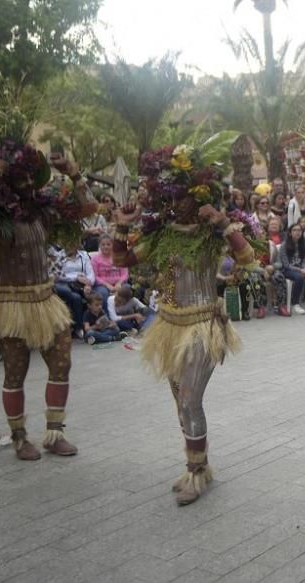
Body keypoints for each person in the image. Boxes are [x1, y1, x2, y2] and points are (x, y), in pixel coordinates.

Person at [112, 141, 258, 506]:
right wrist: (120, 227)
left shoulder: (213, 233)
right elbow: (123, 259)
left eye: (185, 197)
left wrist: (224, 223)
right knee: (180, 402)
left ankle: (195, 474)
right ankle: (199, 465)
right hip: (169, 326)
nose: (178, 204)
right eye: (172, 197)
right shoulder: (161, 234)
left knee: (191, 400)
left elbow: (247, 256)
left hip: (203, 326)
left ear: (200, 195)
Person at [0, 149, 98, 461]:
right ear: (7, 184)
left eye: (31, 177)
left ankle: (55, 434)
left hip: (46, 301)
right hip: (12, 305)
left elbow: (90, 208)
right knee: (15, 374)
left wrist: (74, 172)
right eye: (20, 178)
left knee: (62, 364)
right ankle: (19, 438)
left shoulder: (42, 214)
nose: (29, 183)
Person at [52, 241, 95, 336]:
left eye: (72, 243)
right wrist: (75, 277)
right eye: (67, 243)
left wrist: (89, 284)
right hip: (64, 284)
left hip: (81, 284)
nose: (69, 246)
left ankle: (85, 327)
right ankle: (78, 327)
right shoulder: (59, 256)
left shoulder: (84, 255)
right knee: (75, 297)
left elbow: (90, 273)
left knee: (90, 294)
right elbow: (57, 275)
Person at [280, 220, 305, 314]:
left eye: (299, 230)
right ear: (290, 233)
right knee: (299, 277)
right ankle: (296, 304)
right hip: (288, 270)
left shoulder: (304, 245)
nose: (297, 232)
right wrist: (300, 270)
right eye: (294, 230)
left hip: (301, 268)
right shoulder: (284, 246)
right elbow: (286, 265)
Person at [91, 233, 129, 309]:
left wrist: (119, 283)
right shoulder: (95, 259)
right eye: (103, 244)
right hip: (102, 285)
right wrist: (108, 285)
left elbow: (125, 274)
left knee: (126, 289)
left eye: (108, 244)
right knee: (103, 293)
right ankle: (107, 315)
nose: (106, 247)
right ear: (99, 246)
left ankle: (125, 313)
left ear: (113, 245)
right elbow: (95, 276)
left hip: (118, 283)